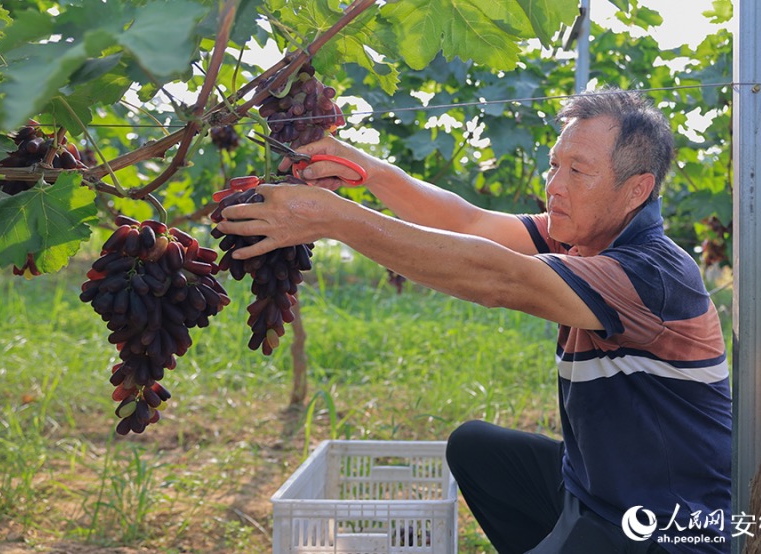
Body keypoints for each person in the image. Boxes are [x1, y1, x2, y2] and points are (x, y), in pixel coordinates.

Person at [216, 89, 732, 553]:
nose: (554, 185)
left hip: (659, 525)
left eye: (578, 171)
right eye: (554, 165)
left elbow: (498, 279)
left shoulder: (651, 273)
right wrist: (365, 169)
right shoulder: (585, 234)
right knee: (476, 448)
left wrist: (333, 218)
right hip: (596, 487)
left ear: (637, 190)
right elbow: (468, 223)